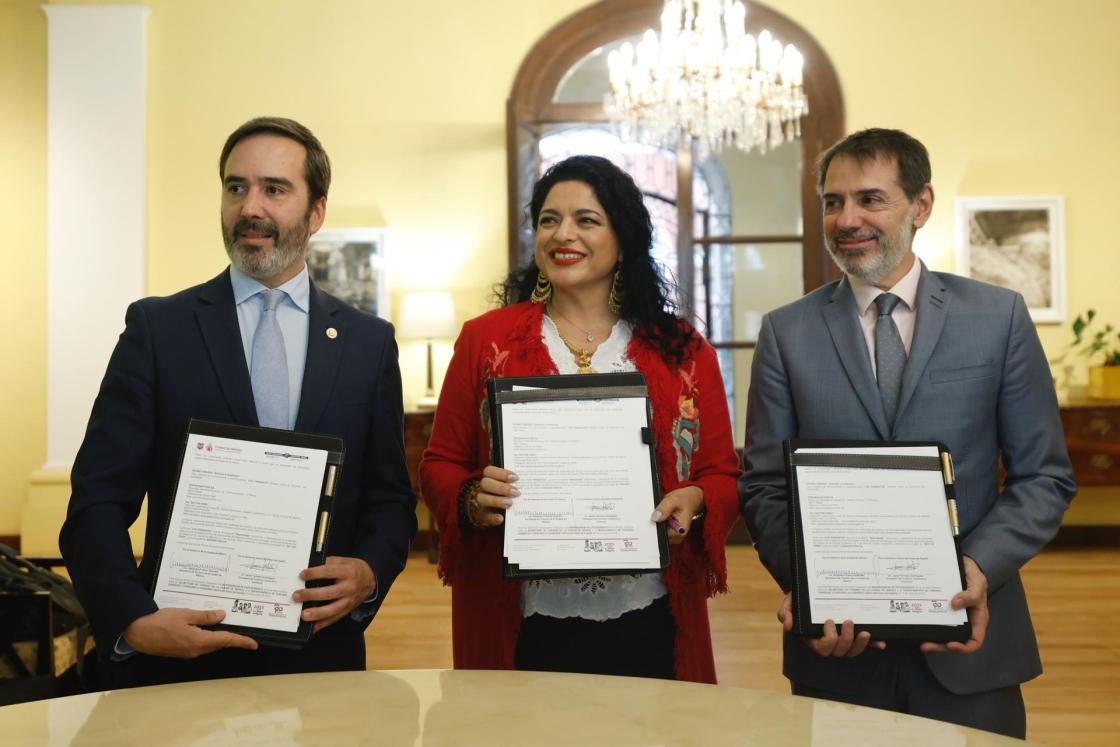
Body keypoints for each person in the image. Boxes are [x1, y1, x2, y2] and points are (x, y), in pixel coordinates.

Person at [740, 128, 1075, 736]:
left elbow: (1044, 476)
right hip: (837, 655)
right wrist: (811, 586)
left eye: (871, 199)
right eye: (833, 202)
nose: (847, 219)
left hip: (972, 644)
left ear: (921, 205)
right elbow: (764, 485)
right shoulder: (787, 333)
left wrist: (976, 569)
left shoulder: (998, 318)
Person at [60, 116, 417, 688]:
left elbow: (392, 499)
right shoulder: (158, 329)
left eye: (275, 189)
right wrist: (132, 620)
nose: (251, 207)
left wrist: (371, 571)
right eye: (236, 187)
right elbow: (96, 502)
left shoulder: (368, 343)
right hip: (180, 660)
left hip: (321, 664)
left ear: (316, 212)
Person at [419, 155, 740, 682]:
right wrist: (473, 498)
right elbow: (440, 465)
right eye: (549, 219)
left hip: (651, 613)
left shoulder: (684, 350)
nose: (563, 234)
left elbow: (722, 474)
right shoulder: (485, 341)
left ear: (625, 238)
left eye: (586, 220)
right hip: (519, 616)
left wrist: (695, 501)